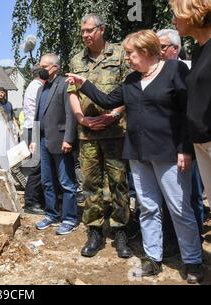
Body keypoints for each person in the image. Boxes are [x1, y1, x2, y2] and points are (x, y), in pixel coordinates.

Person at [67, 29, 204, 284]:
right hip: (138, 154)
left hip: (170, 153)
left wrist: (185, 148)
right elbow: (107, 101)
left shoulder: (174, 71)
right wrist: (83, 83)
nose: (127, 58)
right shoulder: (131, 81)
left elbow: (188, 112)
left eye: (130, 53)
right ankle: (153, 258)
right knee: (148, 208)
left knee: (179, 209)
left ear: (146, 51)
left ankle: (193, 260)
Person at [68, 13, 132, 258]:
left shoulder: (119, 54)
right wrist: (80, 119)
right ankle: (94, 230)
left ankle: (120, 231)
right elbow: (72, 93)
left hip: (114, 131)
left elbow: (130, 89)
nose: (85, 35)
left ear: (102, 30)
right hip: (87, 134)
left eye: (89, 30)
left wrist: (114, 114)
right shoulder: (76, 60)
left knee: (118, 183)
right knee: (90, 184)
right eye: (82, 31)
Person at [156, 28, 206, 253]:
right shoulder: (156, 71)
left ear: (175, 49)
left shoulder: (186, 67)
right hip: (169, 143)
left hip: (189, 142)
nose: (158, 51)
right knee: (173, 196)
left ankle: (195, 235)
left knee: (192, 193)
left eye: (162, 47)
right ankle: (173, 240)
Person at [170, 0, 211, 226]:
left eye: (176, 14)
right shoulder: (198, 51)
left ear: (192, 12)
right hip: (200, 143)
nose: (173, 20)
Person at [30, 53, 78, 235]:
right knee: (47, 181)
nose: (40, 69)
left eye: (44, 66)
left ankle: (69, 218)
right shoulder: (42, 88)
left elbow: (71, 113)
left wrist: (69, 138)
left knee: (66, 182)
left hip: (60, 140)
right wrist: (34, 140)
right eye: (40, 65)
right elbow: (37, 116)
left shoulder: (65, 84)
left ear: (55, 68)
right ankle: (51, 214)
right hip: (43, 140)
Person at [22, 65, 45, 215]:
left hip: (31, 127)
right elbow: (40, 110)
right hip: (34, 127)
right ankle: (30, 202)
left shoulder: (32, 85)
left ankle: (38, 199)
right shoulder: (37, 87)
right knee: (37, 166)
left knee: (38, 165)